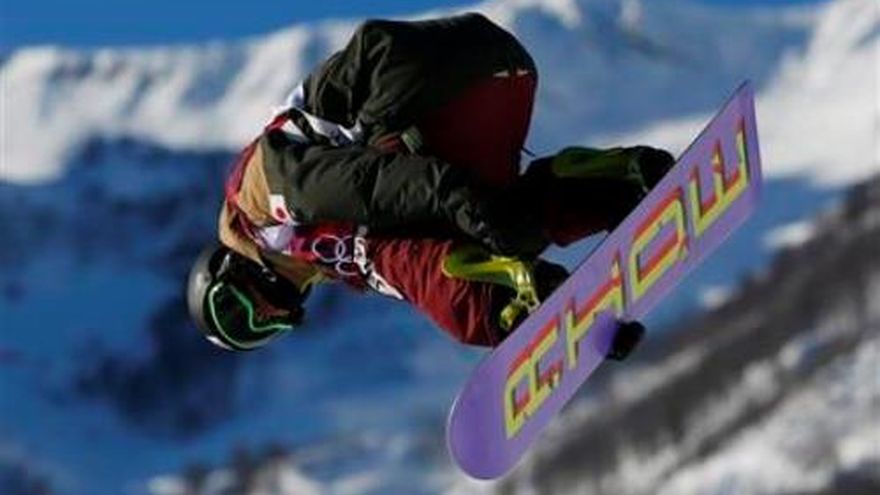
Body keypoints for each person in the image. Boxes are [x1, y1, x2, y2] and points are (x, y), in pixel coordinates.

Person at [186, 14, 673, 352]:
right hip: (502, 76)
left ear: (227, 267)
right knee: (507, 225)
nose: (264, 315)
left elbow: (362, 184)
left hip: (418, 83)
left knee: (391, 255)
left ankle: (502, 302)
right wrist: (582, 328)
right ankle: (614, 184)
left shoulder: (257, 196)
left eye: (237, 310)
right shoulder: (320, 252)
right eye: (257, 331)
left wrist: (454, 196)